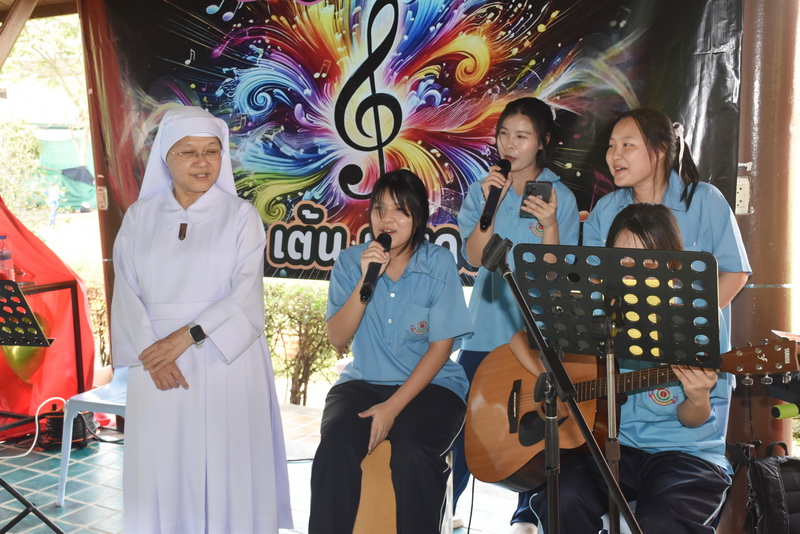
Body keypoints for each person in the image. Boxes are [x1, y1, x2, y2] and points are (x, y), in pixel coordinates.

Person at [110, 106, 292, 533]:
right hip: (156, 364)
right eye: (188, 151)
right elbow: (126, 291)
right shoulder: (139, 217)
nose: (202, 161)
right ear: (165, 158)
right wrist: (152, 353)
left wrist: (184, 338)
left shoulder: (241, 216)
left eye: (211, 151)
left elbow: (245, 292)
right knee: (163, 464)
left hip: (223, 358)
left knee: (227, 461)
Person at [513, 203, 734, 533]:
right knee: (562, 497)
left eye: (647, 261)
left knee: (661, 521)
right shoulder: (593, 306)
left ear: (672, 261)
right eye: (622, 260)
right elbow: (520, 340)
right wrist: (554, 383)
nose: (632, 272)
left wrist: (698, 397)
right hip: (609, 445)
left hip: (685, 454)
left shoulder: (698, 315)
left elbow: (696, 420)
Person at [308, 169, 472, 534]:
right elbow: (337, 337)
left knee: (414, 451)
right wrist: (366, 281)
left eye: (400, 210)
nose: (387, 219)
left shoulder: (438, 263)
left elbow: (441, 348)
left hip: (432, 386)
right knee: (335, 445)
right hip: (364, 381)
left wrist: (391, 408)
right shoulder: (352, 262)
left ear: (418, 217)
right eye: (379, 208)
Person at [455, 97, 580, 532]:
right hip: (483, 329)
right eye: (504, 134)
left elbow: (557, 276)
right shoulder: (483, 189)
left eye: (522, 136)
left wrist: (550, 225)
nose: (510, 144)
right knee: (464, 424)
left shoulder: (560, 197)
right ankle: (443, 504)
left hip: (535, 336)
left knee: (536, 425)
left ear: (542, 142)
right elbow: (473, 258)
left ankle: (527, 515)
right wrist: (490, 205)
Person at [583, 108, 751, 337]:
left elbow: (735, 273)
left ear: (661, 149)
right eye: (611, 146)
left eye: (627, 144)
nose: (614, 155)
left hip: (693, 344)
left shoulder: (704, 200)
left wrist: (691, 326)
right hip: (627, 345)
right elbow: (594, 279)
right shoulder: (605, 209)